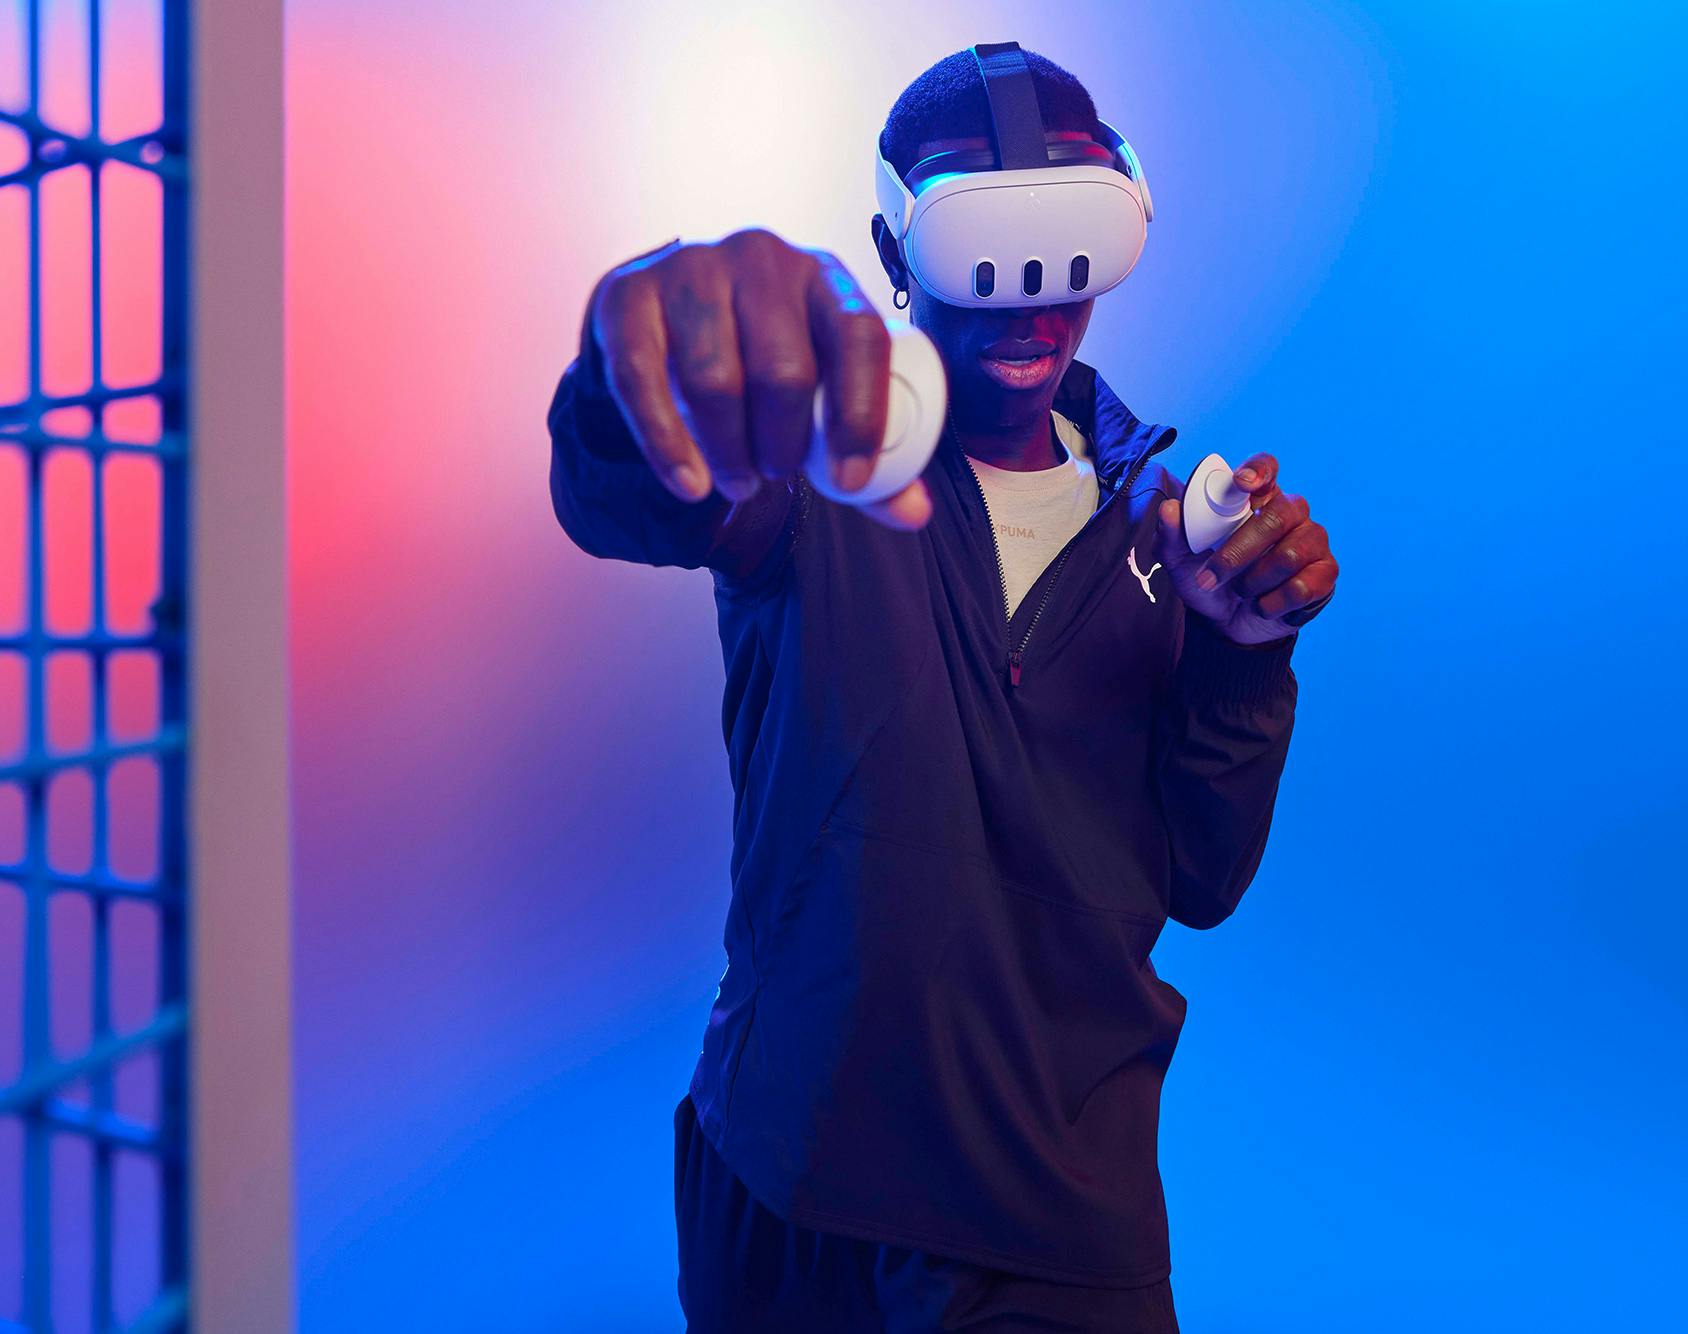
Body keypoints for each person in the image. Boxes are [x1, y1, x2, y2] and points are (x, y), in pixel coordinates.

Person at [548, 42, 1339, 1334]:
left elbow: (1203, 879)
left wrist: (1244, 657)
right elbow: (625, 494)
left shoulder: (1169, 535)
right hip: (790, 1179)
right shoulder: (814, 469)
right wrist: (635, 369)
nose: (1032, 301)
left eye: (1069, 245)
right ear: (895, 250)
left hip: (1055, 1220)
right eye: (984, 246)